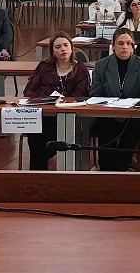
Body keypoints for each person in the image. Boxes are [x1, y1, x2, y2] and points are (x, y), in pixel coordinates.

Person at [89, 28, 140, 171]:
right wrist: (113, 111)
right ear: (113, 45)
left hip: (133, 115)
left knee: (133, 128)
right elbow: (95, 95)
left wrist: (129, 110)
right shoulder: (101, 65)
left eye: (128, 43)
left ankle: (119, 170)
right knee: (106, 128)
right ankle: (108, 168)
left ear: (133, 46)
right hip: (107, 114)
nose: (125, 47)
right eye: (120, 43)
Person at [23, 32, 90, 170]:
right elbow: (29, 91)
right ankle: (38, 177)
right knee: (35, 135)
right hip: (45, 115)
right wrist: (43, 99)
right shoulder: (44, 67)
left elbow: (81, 94)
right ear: (53, 52)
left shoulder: (80, 69)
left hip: (71, 117)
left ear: (72, 48)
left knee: (43, 140)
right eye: (58, 47)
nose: (63, 49)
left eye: (66, 45)